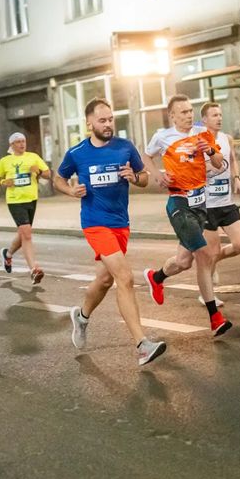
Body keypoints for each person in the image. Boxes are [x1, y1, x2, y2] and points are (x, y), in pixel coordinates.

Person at [54, 98, 167, 367]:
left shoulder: (124, 147)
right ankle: (142, 344)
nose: (107, 124)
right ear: (89, 123)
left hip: (120, 223)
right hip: (94, 222)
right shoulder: (77, 153)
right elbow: (58, 178)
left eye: (110, 119)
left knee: (105, 280)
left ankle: (81, 316)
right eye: (102, 120)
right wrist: (71, 190)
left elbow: (143, 178)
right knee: (124, 278)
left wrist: (133, 177)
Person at [142, 95, 231, 337]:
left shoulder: (204, 134)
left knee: (184, 261)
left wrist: (211, 150)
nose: (188, 115)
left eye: (190, 111)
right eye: (183, 112)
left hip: (200, 202)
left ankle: (156, 277)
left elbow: (220, 162)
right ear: (172, 116)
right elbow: (145, 155)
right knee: (204, 254)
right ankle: (215, 317)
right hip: (178, 202)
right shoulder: (163, 136)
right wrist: (157, 176)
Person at [200, 102, 240, 296]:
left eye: (220, 114)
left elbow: (233, 161)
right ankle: (207, 295)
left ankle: (214, 261)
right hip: (206, 205)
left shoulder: (226, 138)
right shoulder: (199, 141)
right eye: (214, 115)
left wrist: (236, 179)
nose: (219, 118)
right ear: (204, 119)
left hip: (226, 203)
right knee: (211, 251)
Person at [0, 132, 51, 284]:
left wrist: (38, 171)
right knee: (27, 234)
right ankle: (34, 269)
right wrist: (3, 182)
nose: (21, 144)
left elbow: (47, 174)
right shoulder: (5, 161)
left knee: (24, 232)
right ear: (11, 145)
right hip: (14, 201)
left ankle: (8, 254)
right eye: (18, 142)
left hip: (31, 199)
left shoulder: (33, 157)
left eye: (23, 141)